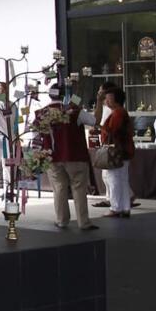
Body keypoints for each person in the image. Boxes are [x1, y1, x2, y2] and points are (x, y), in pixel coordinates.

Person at [39, 86, 97, 230]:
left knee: (59, 189)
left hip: (52, 157)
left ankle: (61, 220)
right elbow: (94, 121)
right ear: (65, 95)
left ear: (49, 95)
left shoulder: (41, 113)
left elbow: (35, 133)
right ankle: (83, 222)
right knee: (79, 189)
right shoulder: (75, 112)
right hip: (75, 155)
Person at [99, 88, 135, 218]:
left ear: (116, 99)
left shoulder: (117, 113)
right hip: (124, 150)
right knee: (122, 179)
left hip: (117, 151)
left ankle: (115, 207)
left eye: (109, 98)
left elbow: (112, 130)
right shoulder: (120, 112)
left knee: (113, 179)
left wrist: (100, 127)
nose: (106, 101)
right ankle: (125, 207)